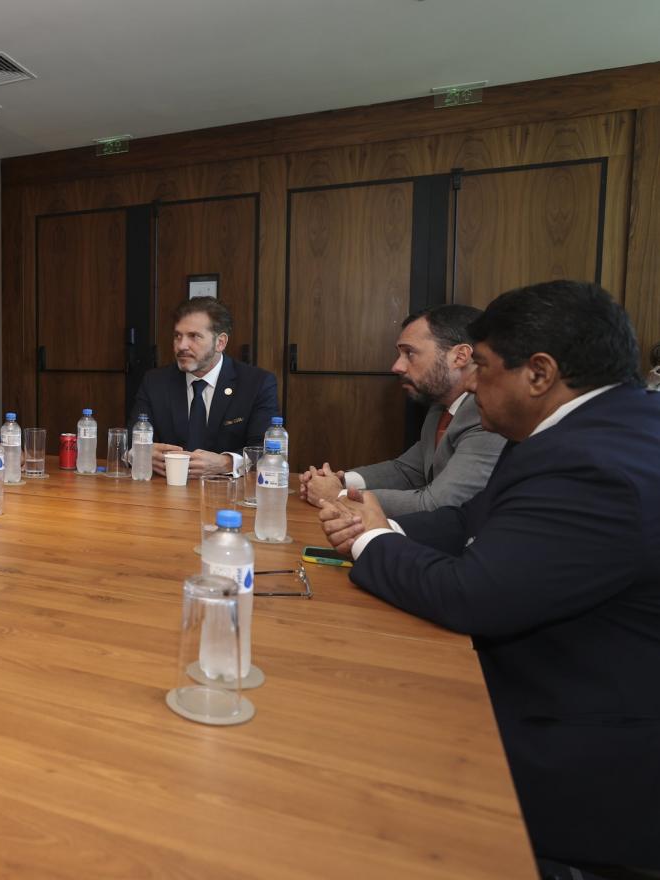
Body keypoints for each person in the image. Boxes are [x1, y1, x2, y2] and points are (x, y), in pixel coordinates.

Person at [315, 280, 660, 872]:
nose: (471, 383)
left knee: (347, 763)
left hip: (581, 748)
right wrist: (371, 528)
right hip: (558, 679)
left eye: (485, 367)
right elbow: (467, 521)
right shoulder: (590, 429)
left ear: (540, 373)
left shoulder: (594, 463)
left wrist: (371, 540)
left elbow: (472, 595)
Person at [300, 304, 505, 516]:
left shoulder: (487, 414)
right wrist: (342, 480)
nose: (397, 366)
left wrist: (339, 496)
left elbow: (437, 505)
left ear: (460, 356)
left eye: (410, 353)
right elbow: (408, 470)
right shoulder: (439, 407)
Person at [128, 297, 277, 477]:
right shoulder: (155, 381)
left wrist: (227, 463)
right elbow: (130, 440)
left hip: (226, 493)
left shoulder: (257, 383)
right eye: (177, 336)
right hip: (163, 491)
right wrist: (139, 454)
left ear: (220, 342)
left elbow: (266, 450)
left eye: (194, 336)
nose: (181, 346)